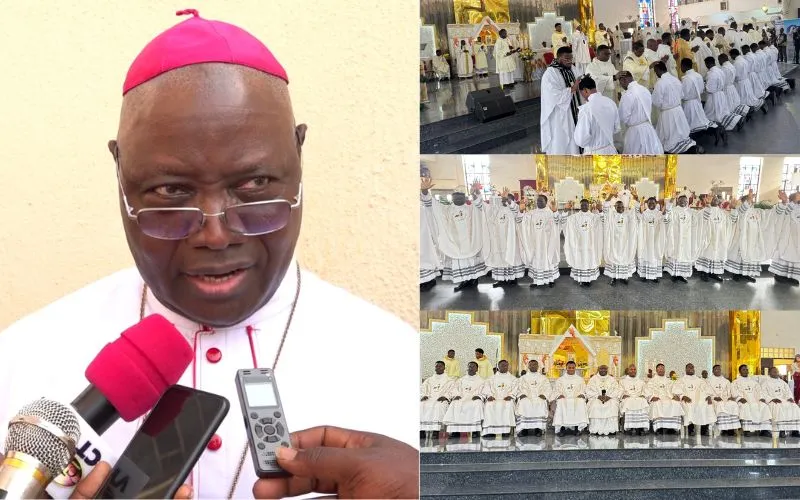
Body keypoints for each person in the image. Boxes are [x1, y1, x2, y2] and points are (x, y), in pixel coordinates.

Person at [0, 10, 419, 499]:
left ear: (298, 156)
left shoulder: (401, 366)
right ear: (120, 171)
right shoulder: (20, 360)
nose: (216, 235)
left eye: (256, 183)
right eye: (170, 190)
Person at [421, 178, 489, 292]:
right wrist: (424, 192)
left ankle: (473, 280)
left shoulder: (470, 209)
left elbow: (479, 205)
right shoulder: (446, 209)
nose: (458, 197)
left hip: (470, 243)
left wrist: (474, 194)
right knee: (460, 263)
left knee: (471, 261)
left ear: (465, 198)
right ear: (452, 198)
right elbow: (432, 206)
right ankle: (464, 281)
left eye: (461, 195)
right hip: (454, 245)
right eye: (456, 195)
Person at [725, 190, 776, 283]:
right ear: (744, 201)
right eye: (749, 200)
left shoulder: (757, 211)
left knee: (750, 254)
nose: (751, 202)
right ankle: (736, 274)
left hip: (753, 238)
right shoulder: (741, 209)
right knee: (740, 256)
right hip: (741, 238)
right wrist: (747, 200)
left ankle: (746, 274)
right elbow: (740, 212)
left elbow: (767, 215)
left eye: (752, 200)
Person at [540, 46, 581, 154]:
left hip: (575, 108)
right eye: (566, 58)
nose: (570, 61)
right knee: (562, 139)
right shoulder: (550, 73)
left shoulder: (572, 68)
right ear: (558, 58)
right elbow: (552, 95)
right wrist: (572, 89)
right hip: (561, 113)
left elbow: (579, 79)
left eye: (571, 58)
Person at [518, 194, 564, 288]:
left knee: (548, 259)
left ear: (546, 202)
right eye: (537, 201)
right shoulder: (531, 213)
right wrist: (521, 211)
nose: (538, 202)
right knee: (536, 259)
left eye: (541, 201)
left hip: (547, 242)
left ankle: (550, 279)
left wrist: (555, 211)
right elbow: (521, 221)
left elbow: (557, 222)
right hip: (535, 241)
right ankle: (536, 280)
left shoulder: (550, 213)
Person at [652, 62, 697, 154]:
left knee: (670, 136)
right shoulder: (675, 79)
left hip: (667, 113)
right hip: (678, 110)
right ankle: (687, 147)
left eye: (655, 71)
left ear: (658, 70)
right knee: (679, 132)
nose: (656, 74)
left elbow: (656, 101)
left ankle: (677, 149)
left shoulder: (659, 83)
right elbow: (682, 95)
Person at [485, 190, 525, 288]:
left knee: (511, 257)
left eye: (507, 199)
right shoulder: (498, 209)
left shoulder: (514, 208)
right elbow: (490, 218)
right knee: (500, 258)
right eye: (503, 199)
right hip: (499, 239)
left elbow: (518, 213)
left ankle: (513, 279)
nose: (504, 201)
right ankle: (501, 279)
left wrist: (508, 201)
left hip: (512, 240)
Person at [617, 71, 664, 154]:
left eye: (620, 83)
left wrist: (621, 102)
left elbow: (623, 117)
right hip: (648, 128)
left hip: (635, 132)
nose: (621, 86)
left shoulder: (627, 95)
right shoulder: (644, 89)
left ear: (624, 80)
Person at [574, 76, 621, 154]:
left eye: (581, 93)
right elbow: (617, 129)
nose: (582, 96)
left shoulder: (586, 109)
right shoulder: (610, 102)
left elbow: (581, 140)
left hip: (595, 153)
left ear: (585, 90)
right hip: (610, 150)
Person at [563, 199, 604, 286]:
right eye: (582, 205)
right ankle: (581, 279)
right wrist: (565, 211)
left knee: (589, 259)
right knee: (580, 259)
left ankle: (588, 279)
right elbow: (565, 222)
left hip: (590, 243)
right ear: (580, 206)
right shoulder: (575, 217)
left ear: (589, 206)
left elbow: (602, 221)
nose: (584, 206)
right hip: (579, 243)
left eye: (586, 205)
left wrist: (600, 211)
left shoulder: (594, 217)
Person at [664, 194, 703, 283]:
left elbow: (699, 218)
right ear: (678, 201)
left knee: (685, 255)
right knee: (676, 254)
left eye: (685, 201)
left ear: (687, 202)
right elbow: (667, 217)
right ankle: (674, 274)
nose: (683, 202)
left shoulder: (691, 212)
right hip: (676, 238)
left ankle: (682, 275)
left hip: (687, 239)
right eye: (681, 200)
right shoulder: (674, 210)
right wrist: (670, 203)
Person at [443, 361, 485, 437]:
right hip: (462, 398)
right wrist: (456, 395)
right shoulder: (461, 380)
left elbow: (484, 391)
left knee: (477, 403)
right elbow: (455, 389)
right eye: (469, 366)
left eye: (473, 367)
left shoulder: (481, 381)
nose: (471, 368)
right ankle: (456, 431)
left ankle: (475, 430)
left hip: (474, 399)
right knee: (454, 403)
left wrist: (479, 396)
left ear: (477, 369)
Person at [696, 195, 732, 282]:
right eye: (713, 199)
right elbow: (702, 221)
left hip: (719, 237)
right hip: (708, 236)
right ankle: (704, 273)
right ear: (710, 200)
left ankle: (714, 273)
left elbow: (728, 222)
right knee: (707, 253)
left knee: (717, 254)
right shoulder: (704, 210)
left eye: (717, 199)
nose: (716, 200)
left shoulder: (722, 212)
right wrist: (708, 208)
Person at [672, 363, 716, 436]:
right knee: (688, 405)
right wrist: (683, 396)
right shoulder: (681, 380)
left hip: (699, 400)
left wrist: (708, 396)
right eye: (689, 367)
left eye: (692, 367)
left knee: (706, 405)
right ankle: (690, 429)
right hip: (686, 399)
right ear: (686, 369)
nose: (691, 369)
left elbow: (707, 389)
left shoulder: (700, 380)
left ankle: (704, 429)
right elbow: (676, 390)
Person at [602, 198, 639, 285]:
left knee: (624, 258)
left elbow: (635, 213)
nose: (621, 208)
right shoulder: (612, 215)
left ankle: (624, 277)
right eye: (618, 207)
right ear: (615, 207)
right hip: (614, 242)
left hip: (625, 242)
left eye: (622, 207)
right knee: (614, 259)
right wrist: (609, 197)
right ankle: (613, 278)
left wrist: (637, 200)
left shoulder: (627, 215)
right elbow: (605, 209)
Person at [767, 192, 800, 286]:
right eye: (798, 196)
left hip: (797, 239)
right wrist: (784, 201)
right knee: (784, 257)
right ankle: (779, 275)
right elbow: (780, 212)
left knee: (795, 258)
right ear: (793, 198)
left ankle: (791, 276)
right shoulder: (787, 207)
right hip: (787, 238)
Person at [732, 364, 773, 437]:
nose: (745, 371)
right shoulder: (735, 382)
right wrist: (739, 398)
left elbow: (759, 391)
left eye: (746, 369)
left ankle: (764, 430)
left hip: (755, 400)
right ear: (740, 371)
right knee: (746, 407)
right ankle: (746, 429)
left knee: (764, 406)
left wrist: (761, 397)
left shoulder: (754, 382)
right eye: (743, 370)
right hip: (744, 401)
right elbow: (734, 392)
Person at [704, 56, 741, 133]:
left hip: (714, 97)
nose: (706, 66)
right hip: (721, 94)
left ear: (708, 64)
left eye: (706, 64)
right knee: (722, 112)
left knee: (713, 114)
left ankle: (719, 129)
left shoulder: (711, 74)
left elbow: (709, 89)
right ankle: (726, 125)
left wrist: (704, 85)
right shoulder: (720, 70)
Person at [514, 360, 551, 436]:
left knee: (540, 402)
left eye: (535, 365)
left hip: (539, 397)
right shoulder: (523, 378)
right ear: (528, 366)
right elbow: (518, 388)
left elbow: (548, 388)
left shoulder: (543, 378)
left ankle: (538, 429)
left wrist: (544, 395)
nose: (533, 366)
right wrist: (521, 394)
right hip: (526, 397)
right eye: (531, 365)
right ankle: (524, 429)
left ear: (538, 366)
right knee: (524, 402)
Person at [680, 58, 716, 136]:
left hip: (688, 104)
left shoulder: (686, 78)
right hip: (697, 101)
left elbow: (683, 94)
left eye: (681, 66)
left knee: (691, 123)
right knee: (700, 119)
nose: (680, 68)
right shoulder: (698, 75)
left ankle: (696, 134)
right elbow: (702, 89)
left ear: (684, 66)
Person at [481, 360, 517, 437]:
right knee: (489, 405)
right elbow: (486, 388)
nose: (504, 367)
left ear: (508, 366)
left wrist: (511, 395)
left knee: (508, 405)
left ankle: (506, 431)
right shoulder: (491, 378)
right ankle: (490, 431)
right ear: (498, 366)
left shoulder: (513, 379)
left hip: (507, 398)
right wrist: (489, 396)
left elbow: (516, 388)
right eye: (502, 365)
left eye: (506, 365)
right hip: (494, 398)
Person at [553, 361, 589, 436]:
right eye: (569, 368)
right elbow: (556, 390)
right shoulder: (560, 380)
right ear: (566, 368)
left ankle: (577, 428)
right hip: (564, 398)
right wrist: (559, 395)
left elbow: (584, 390)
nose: (571, 369)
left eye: (573, 368)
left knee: (581, 402)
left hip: (576, 399)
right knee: (561, 401)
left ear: (575, 368)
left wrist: (582, 394)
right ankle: (562, 428)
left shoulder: (580, 379)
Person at [645, 363, 684, 434]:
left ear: (664, 370)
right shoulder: (652, 381)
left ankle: (672, 428)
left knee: (676, 403)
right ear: (656, 370)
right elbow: (647, 390)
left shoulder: (669, 381)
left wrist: (675, 395)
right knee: (657, 404)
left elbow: (675, 389)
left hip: (669, 398)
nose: (661, 370)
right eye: (659, 368)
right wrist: (652, 397)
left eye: (662, 368)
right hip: (657, 398)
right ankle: (659, 428)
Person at [762, 367, 800, 437]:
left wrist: (790, 398)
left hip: (784, 400)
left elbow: (788, 392)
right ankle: (781, 430)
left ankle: (795, 430)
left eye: (777, 372)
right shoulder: (765, 383)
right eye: (774, 372)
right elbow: (764, 394)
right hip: (773, 401)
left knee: (795, 407)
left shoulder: (783, 382)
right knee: (779, 407)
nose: (776, 373)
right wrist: (772, 399)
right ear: (769, 373)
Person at [585, 364, 622, 435]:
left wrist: (609, 396)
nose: (603, 370)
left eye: (605, 369)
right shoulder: (593, 379)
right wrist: (598, 396)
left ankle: (611, 430)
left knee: (613, 405)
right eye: (601, 369)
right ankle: (595, 429)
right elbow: (588, 390)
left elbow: (617, 390)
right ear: (598, 369)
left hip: (610, 398)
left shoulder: (612, 379)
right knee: (594, 405)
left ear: (607, 370)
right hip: (596, 398)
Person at [637, 197, 666, 283]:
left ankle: (654, 275)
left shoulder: (659, 213)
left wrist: (664, 214)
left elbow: (664, 221)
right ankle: (645, 275)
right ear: (647, 204)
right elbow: (640, 221)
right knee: (646, 255)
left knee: (654, 256)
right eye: (649, 203)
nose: (651, 205)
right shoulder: (644, 213)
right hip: (646, 239)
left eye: (653, 203)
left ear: (656, 204)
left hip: (656, 238)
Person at [707, 364, 742, 436]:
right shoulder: (708, 381)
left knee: (733, 404)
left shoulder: (726, 381)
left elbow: (731, 391)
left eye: (719, 369)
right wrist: (714, 397)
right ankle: (723, 429)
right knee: (720, 405)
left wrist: (731, 397)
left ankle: (731, 429)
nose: (718, 370)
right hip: (715, 399)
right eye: (716, 369)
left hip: (726, 399)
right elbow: (707, 392)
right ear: (713, 371)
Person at [420, 175, 441, 291]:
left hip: (422, 235)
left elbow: (428, 203)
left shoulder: (420, 204)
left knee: (424, 255)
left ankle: (428, 280)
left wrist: (424, 191)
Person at [420, 361, 454, 435]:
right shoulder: (428, 380)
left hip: (441, 399)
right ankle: (422, 430)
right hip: (429, 398)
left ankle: (436, 430)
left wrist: (445, 397)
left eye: (440, 366)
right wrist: (424, 395)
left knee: (439, 406)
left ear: (444, 368)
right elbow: (422, 389)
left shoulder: (449, 380)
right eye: (436, 366)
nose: (438, 368)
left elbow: (452, 391)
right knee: (421, 405)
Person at [731, 48, 766, 114]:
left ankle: (749, 110)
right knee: (749, 96)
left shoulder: (736, 63)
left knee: (744, 98)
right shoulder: (743, 59)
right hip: (746, 80)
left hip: (741, 82)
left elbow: (737, 75)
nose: (731, 57)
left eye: (731, 55)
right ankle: (754, 106)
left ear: (733, 55)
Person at [620, 364, 650, 435]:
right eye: (631, 369)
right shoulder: (622, 381)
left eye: (634, 369)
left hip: (639, 397)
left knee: (643, 401)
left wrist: (643, 394)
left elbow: (645, 390)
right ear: (628, 371)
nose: (633, 371)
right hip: (628, 398)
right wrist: (623, 395)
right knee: (628, 401)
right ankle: (630, 428)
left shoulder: (641, 381)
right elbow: (620, 390)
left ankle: (642, 427)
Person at [718, 53, 750, 120]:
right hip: (732, 87)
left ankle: (736, 119)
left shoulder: (724, 68)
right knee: (735, 103)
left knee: (729, 105)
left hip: (727, 88)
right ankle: (741, 115)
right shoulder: (731, 65)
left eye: (719, 60)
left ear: (722, 59)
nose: (719, 62)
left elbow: (723, 81)